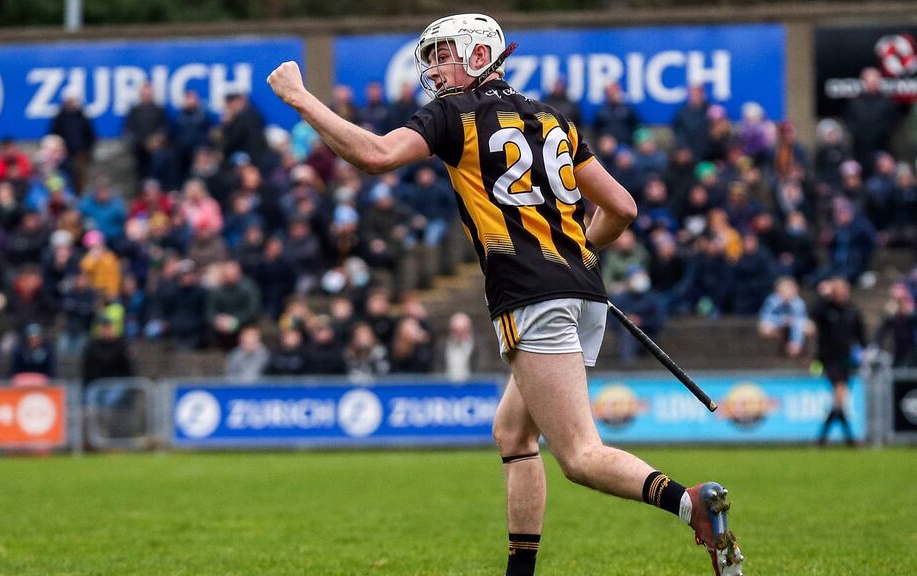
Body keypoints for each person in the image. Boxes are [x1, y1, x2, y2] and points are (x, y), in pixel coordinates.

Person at [268, 13, 743, 576]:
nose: (435, 69)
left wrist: (301, 99)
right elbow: (622, 208)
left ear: (476, 58)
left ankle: (691, 504)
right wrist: (577, 255)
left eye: (444, 56)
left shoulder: (453, 114)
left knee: (580, 456)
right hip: (580, 290)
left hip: (530, 296)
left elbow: (375, 156)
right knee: (513, 433)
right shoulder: (552, 120)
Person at [810, 277, 866, 446]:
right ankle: (845, 438)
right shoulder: (825, 310)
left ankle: (826, 439)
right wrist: (823, 296)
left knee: (839, 400)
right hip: (828, 360)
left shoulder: (852, 311)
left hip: (846, 360)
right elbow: (813, 312)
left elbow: (861, 336)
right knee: (840, 394)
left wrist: (864, 352)